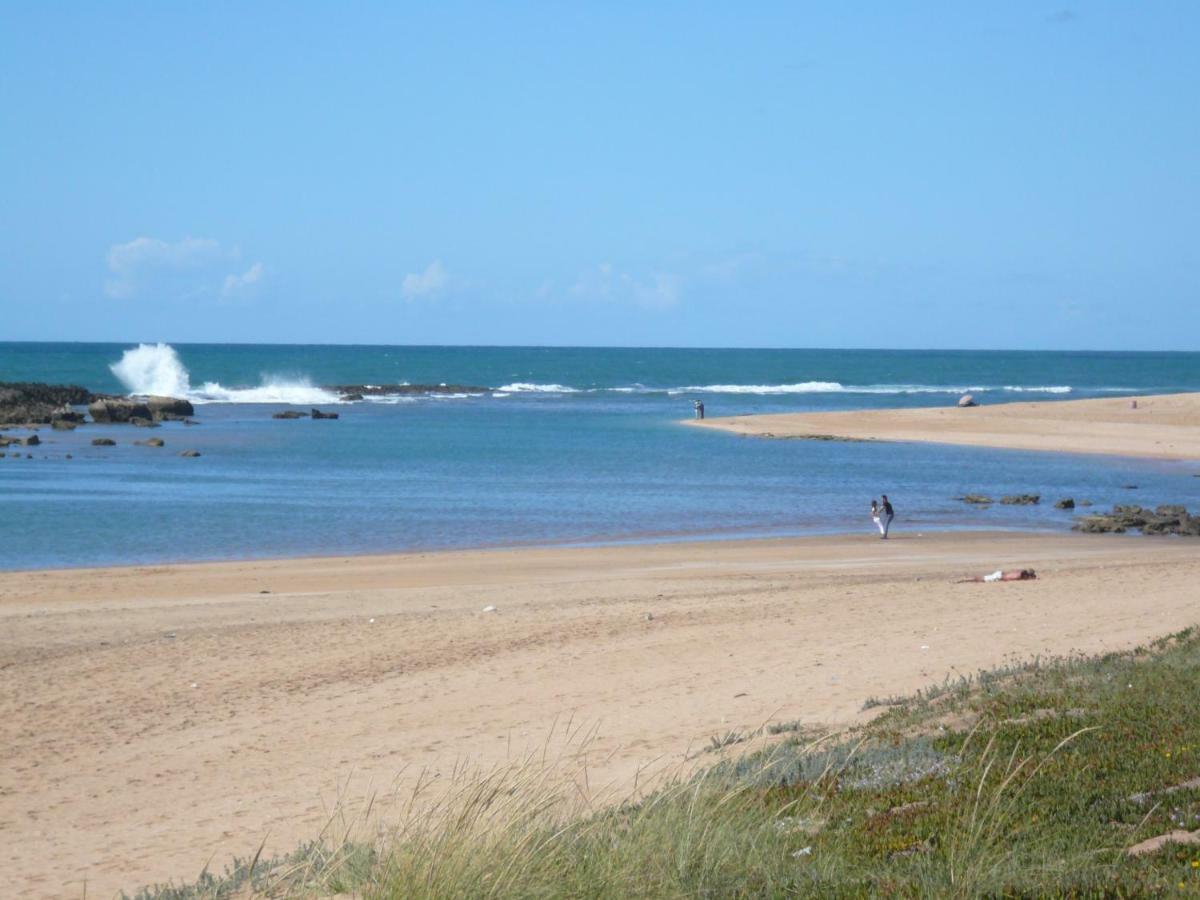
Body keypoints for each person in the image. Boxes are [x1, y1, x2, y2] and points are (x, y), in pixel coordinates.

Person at [958, 569, 1037, 583]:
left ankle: (965, 579)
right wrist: (1003, 579)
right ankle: (964, 579)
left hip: (1000, 574)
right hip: (999, 576)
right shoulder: (1019, 576)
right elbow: (1007, 578)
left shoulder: (1020, 572)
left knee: (980, 578)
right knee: (980, 579)